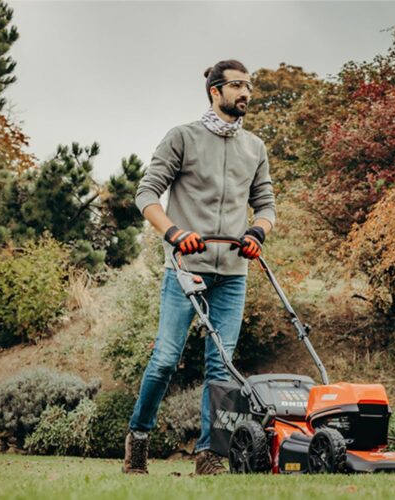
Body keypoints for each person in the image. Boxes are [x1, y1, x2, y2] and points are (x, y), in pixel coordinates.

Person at [123, 59, 276, 475]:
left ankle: (209, 454)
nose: (246, 93)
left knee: (221, 365)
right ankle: (139, 437)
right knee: (165, 358)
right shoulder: (183, 137)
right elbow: (146, 194)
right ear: (215, 91)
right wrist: (173, 232)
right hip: (185, 267)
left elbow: (266, 206)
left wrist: (257, 232)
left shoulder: (254, 147)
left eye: (249, 86)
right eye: (238, 85)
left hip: (232, 273)